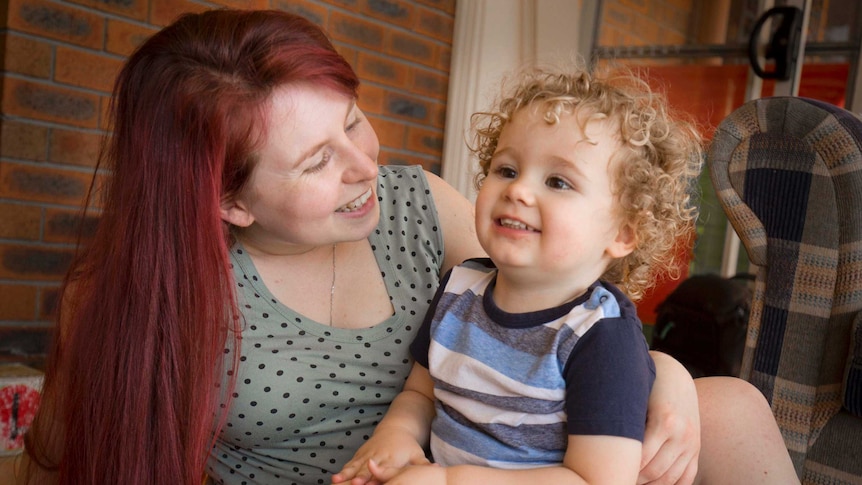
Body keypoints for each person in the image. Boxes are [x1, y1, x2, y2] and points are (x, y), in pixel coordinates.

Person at [0, 9, 794, 485]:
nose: (365, 163)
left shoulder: (416, 205)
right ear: (227, 199)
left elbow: (565, 299)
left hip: (490, 465)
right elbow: (61, 456)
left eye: (352, 121)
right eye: (318, 161)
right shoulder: (142, 290)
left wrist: (669, 371)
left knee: (732, 407)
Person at [334, 66, 800, 485]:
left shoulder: (599, 337)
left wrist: (450, 481)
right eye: (506, 168)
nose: (518, 189)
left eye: (557, 182)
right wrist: (396, 437)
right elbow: (421, 394)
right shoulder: (459, 288)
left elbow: (597, 479)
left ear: (621, 233)